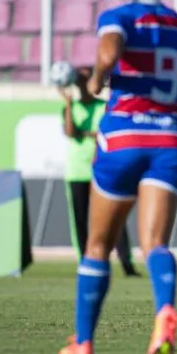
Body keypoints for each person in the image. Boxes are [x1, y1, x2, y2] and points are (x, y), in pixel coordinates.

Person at [58, 0, 177, 354]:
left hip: (123, 136)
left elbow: (108, 52)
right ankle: (164, 310)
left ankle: (82, 344)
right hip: (169, 139)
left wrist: (101, 77)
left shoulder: (117, 16)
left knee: (97, 246)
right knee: (155, 243)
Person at [61, 66, 140, 277]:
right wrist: (68, 103)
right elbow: (70, 132)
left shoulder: (104, 106)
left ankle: (126, 263)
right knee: (79, 220)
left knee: (115, 218)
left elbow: (102, 133)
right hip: (77, 171)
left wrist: (84, 133)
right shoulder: (72, 107)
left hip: (102, 168)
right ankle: (84, 261)